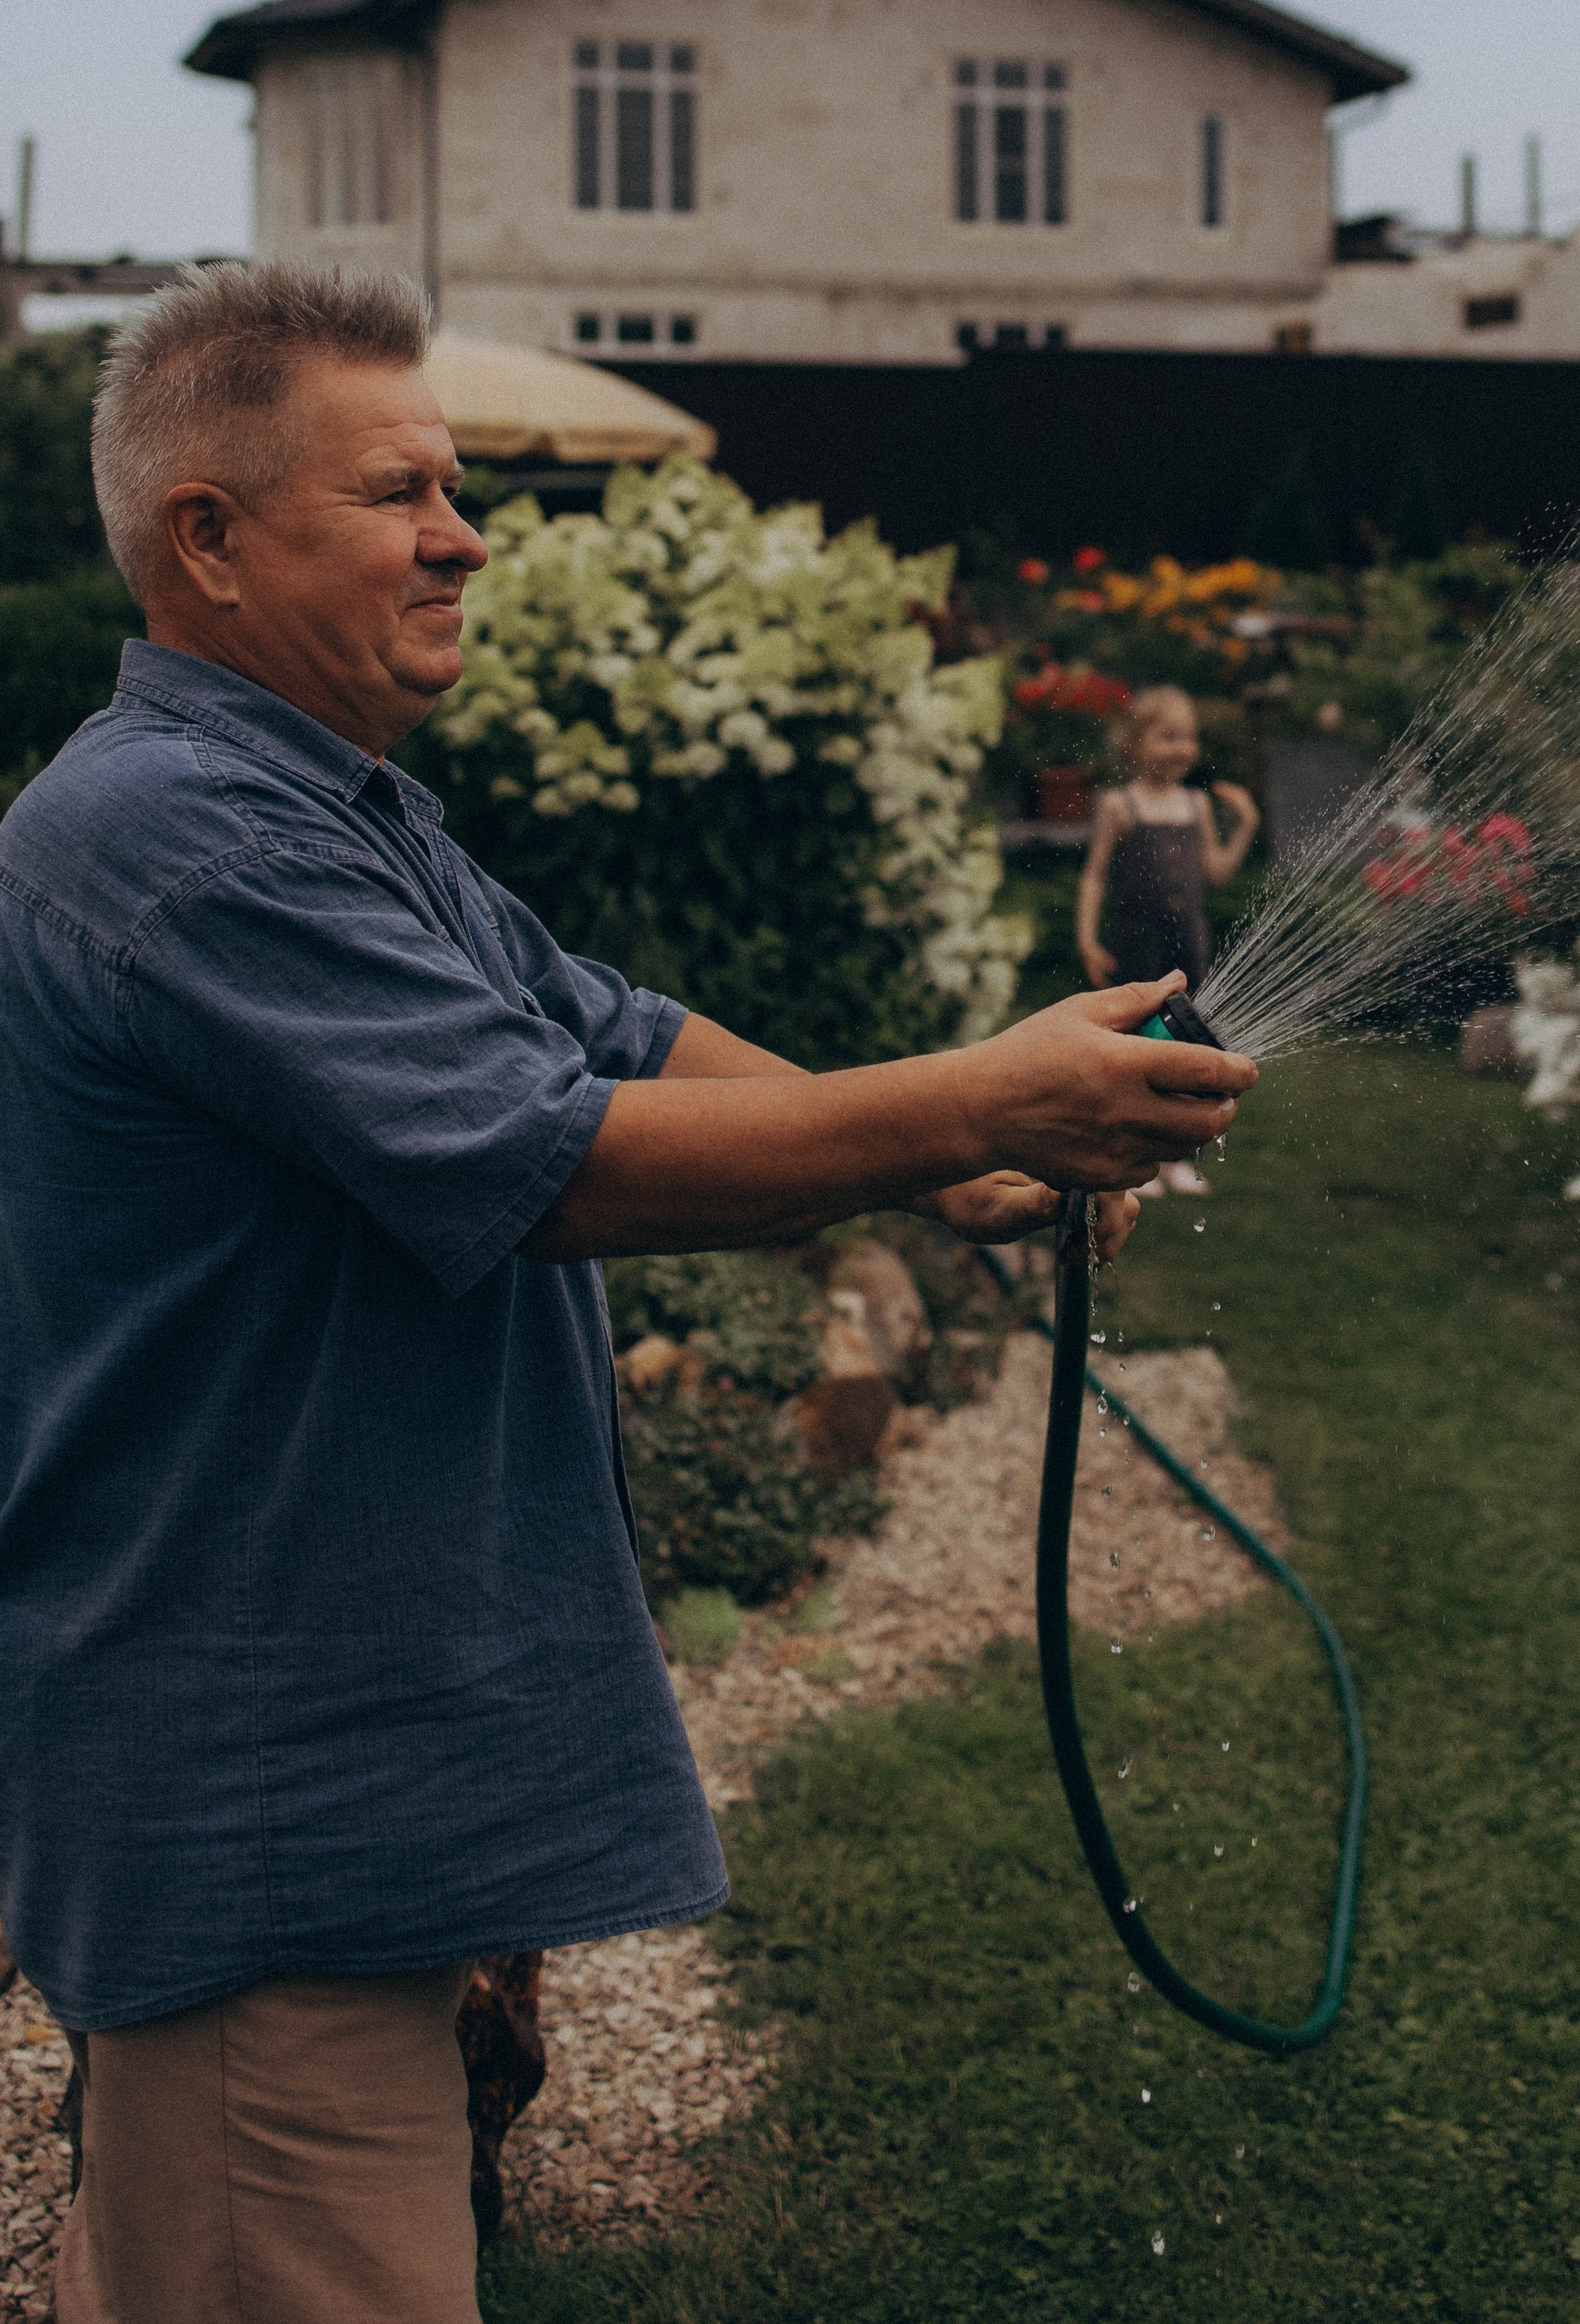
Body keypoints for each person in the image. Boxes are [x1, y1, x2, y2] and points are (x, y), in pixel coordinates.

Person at [0, 265, 1254, 2324]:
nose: (464, 530)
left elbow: (620, 1028)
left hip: (311, 1792)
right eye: (398, 490)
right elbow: (552, 1152)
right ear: (205, 537)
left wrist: (962, 1157)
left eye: (457, 481)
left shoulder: (336, 808)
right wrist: (982, 1089)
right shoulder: (179, 836)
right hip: (261, 1823)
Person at [1075, 684, 1259, 1197]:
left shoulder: (1196, 804)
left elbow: (1217, 872)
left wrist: (1246, 824)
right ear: (1135, 743)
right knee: (1133, 1049)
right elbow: (1094, 877)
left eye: (1190, 737)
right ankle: (1128, 1152)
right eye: (1167, 736)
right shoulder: (1119, 804)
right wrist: (1088, 940)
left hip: (1187, 948)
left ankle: (1176, 1155)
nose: (1182, 748)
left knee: (1186, 1049)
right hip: (1136, 946)